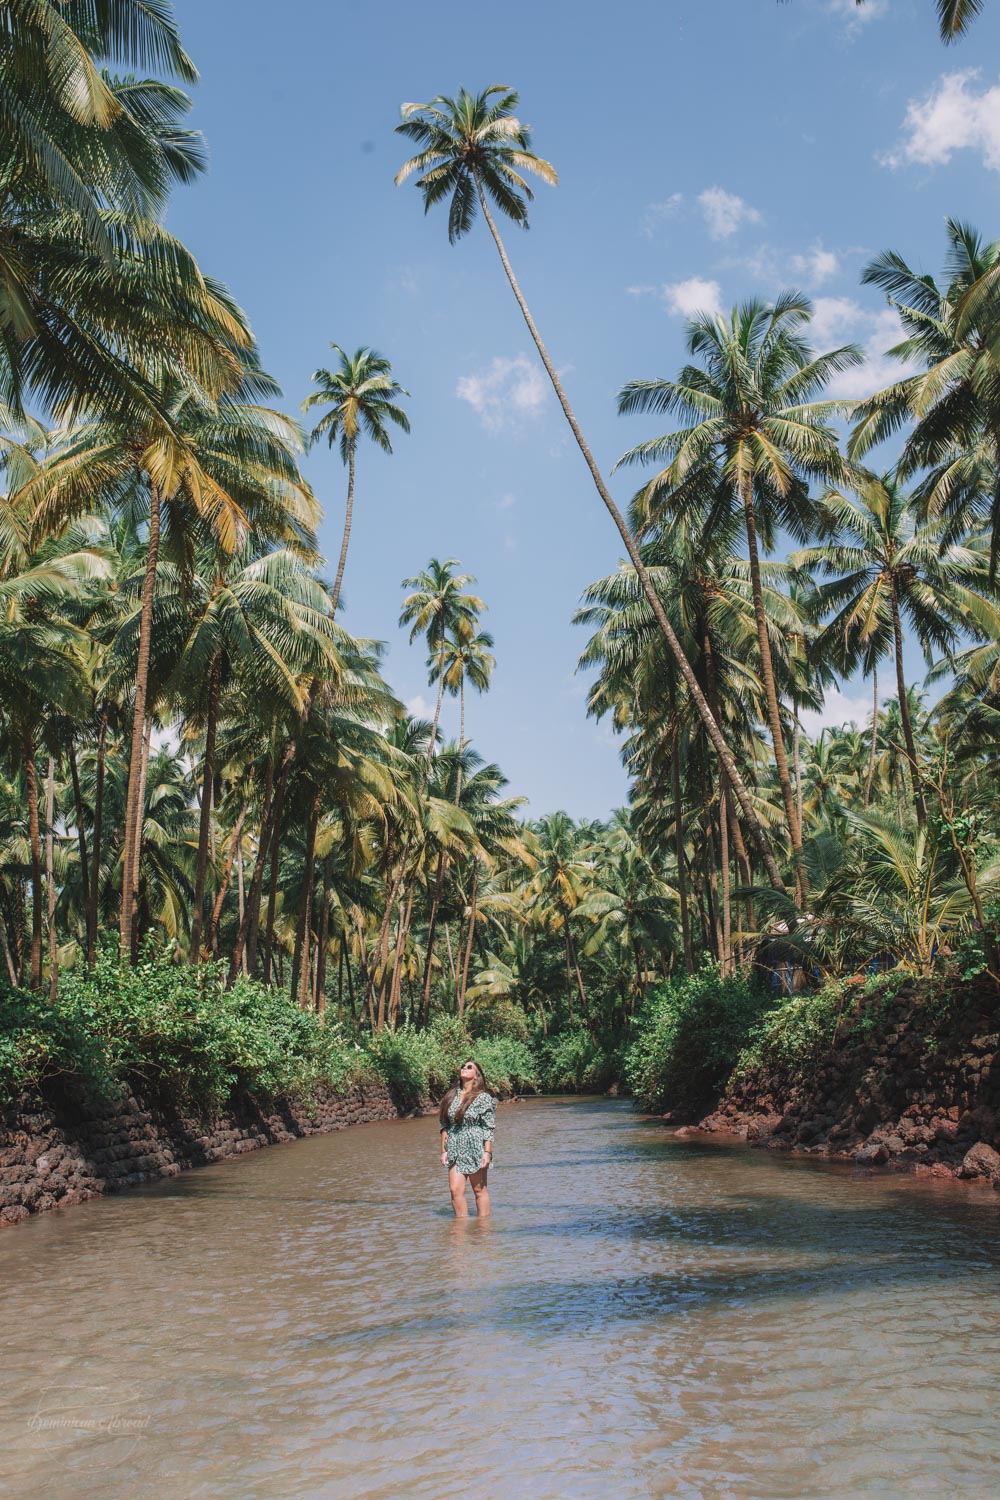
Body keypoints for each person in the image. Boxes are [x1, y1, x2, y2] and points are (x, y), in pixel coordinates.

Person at [438, 1058, 496, 1218]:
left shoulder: (483, 1098)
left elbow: (488, 1128)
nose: (464, 1068)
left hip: (475, 1146)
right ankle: (461, 1229)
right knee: (455, 1190)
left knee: (479, 1190)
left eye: (469, 1067)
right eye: (463, 1066)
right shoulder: (450, 1096)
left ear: (476, 1076)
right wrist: (443, 1150)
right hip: (454, 1146)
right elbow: (444, 1125)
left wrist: (487, 1153)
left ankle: (483, 1229)